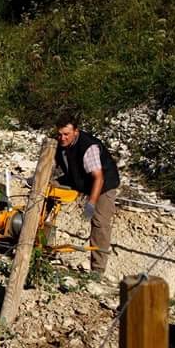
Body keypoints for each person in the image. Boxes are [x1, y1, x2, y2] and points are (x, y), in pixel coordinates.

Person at [53, 114, 120, 278]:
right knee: (44, 191)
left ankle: (97, 271)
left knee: (100, 222)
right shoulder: (58, 143)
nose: (62, 138)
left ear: (76, 131)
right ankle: (39, 241)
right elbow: (53, 165)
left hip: (102, 185)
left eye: (66, 134)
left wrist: (91, 203)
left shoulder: (88, 147)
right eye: (59, 134)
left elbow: (98, 177)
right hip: (77, 178)